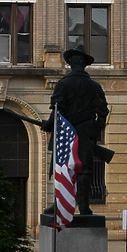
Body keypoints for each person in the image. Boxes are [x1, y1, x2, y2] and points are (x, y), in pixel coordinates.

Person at [43, 43, 109, 216]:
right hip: (85, 132)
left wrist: (48, 125)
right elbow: (103, 114)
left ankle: (61, 205)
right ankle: (84, 207)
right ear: (84, 63)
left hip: (66, 133)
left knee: (64, 168)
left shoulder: (63, 84)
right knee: (84, 169)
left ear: (71, 62)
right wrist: (93, 129)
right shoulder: (95, 86)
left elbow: (57, 111)